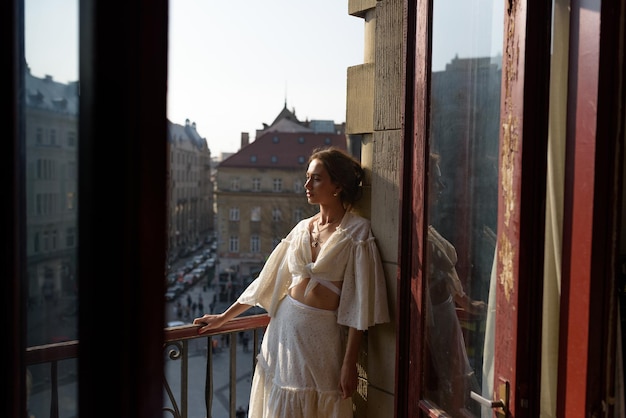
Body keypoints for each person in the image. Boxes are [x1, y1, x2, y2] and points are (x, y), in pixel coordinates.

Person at [193, 146, 390, 418]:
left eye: (316, 178)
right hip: (281, 334)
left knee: (317, 403)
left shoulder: (357, 232)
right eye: (307, 177)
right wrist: (224, 318)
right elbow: (267, 280)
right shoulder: (301, 228)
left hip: (320, 341)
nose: (307, 184)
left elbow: (359, 304)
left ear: (338, 186)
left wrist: (349, 364)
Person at [425, 153, 486, 415]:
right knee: (442, 385)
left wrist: (466, 303)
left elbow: (446, 276)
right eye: (436, 181)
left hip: (445, 317)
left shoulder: (425, 227)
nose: (440, 188)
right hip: (434, 323)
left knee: (452, 384)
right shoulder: (415, 230)